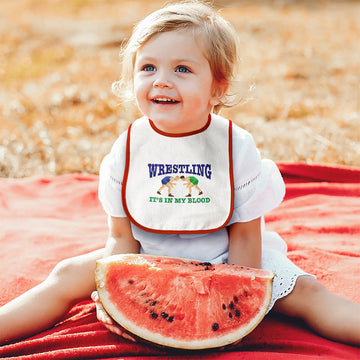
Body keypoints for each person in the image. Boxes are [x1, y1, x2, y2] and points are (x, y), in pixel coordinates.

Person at [0, 0, 359, 347]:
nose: (162, 81)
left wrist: (237, 300)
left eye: (182, 69)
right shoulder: (126, 150)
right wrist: (112, 294)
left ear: (217, 87)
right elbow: (121, 239)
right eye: (148, 68)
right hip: (146, 256)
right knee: (64, 275)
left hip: (229, 256)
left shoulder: (236, 147)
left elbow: (246, 237)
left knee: (310, 295)